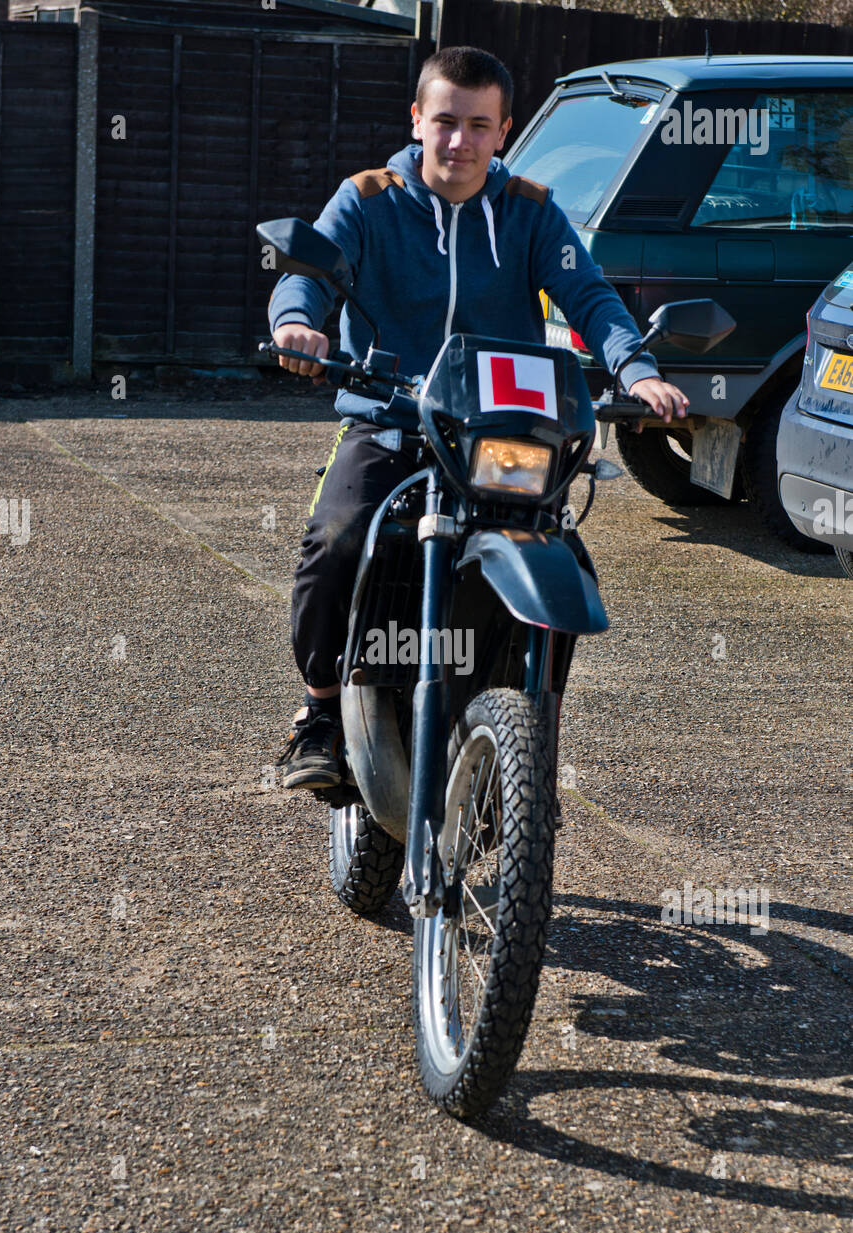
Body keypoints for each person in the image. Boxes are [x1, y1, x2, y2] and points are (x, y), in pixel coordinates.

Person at [269, 45, 688, 790]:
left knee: (563, 563)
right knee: (333, 539)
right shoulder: (367, 198)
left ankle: (528, 738)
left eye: (478, 125)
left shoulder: (529, 210)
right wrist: (299, 324)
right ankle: (320, 714)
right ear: (417, 121)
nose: (458, 141)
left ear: (503, 131)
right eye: (445, 122)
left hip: (500, 432)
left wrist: (638, 368)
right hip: (391, 419)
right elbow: (309, 275)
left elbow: (589, 297)